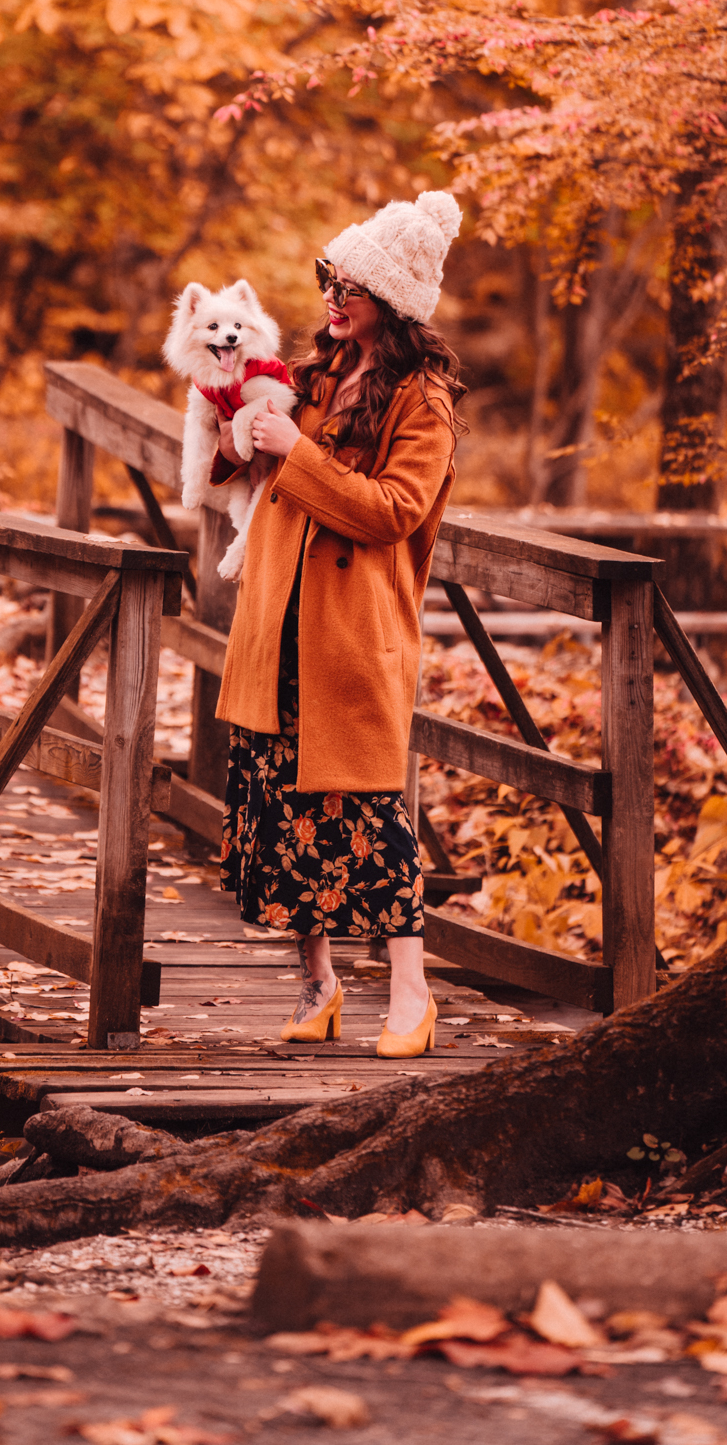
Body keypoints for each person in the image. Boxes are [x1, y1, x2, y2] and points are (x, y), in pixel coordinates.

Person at [213, 189, 465, 1058]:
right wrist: (242, 429)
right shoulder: (314, 375)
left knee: (368, 815)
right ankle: (318, 986)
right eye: (329, 274)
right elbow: (248, 454)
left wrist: (298, 452)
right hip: (277, 620)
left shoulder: (421, 400)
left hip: (350, 634)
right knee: (280, 805)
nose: (330, 293)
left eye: (347, 283)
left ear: (389, 302)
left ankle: (411, 996)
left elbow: (394, 510)